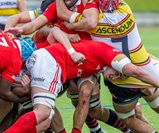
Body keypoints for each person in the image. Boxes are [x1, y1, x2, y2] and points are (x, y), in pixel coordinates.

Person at [4, 27, 159, 133]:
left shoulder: (102, 67)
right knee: (43, 112)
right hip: (49, 62)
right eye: (119, 73)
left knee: (42, 117)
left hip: (41, 63)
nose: (116, 76)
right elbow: (137, 71)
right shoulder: (110, 54)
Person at [56, 0, 159, 132]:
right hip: (145, 70)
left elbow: (63, 13)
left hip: (120, 79)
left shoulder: (92, 22)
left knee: (128, 118)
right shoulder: (126, 10)